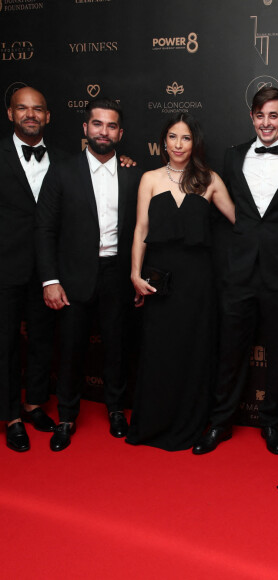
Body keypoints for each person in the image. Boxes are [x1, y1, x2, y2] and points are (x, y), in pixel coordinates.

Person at [193, 87, 278, 456]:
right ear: (252, 118)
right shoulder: (230, 157)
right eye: (260, 116)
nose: (267, 123)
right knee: (230, 350)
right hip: (238, 271)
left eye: (274, 116)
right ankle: (220, 422)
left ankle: (270, 422)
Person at [35, 97, 142, 451]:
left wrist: (138, 276)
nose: (104, 131)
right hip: (72, 275)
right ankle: (66, 415)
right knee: (71, 350)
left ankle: (115, 410)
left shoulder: (132, 173)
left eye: (111, 126)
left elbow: (143, 230)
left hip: (118, 274)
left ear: (120, 133)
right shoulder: (63, 170)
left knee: (117, 347)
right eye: (97, 124)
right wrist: (50, 280)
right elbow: (45, 229)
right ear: (85, 128)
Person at [126, 113, 235, 451]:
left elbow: (240, 222)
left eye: (185, 138)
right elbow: (141, 230)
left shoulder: (210, 180)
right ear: (164, 141)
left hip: (198, 280)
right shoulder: (149, 179)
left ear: (195, 143)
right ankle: (154, 423)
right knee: (161, 352)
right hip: (160, 279)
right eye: (173, 137)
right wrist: (134, 274)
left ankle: (190, 424)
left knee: (193, 351)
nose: (178, 144)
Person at [0, 87, 63, 451]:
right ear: (10, 114)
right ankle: (10, 415)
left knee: (42, 339)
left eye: (37, 109)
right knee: (6, 342)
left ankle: (34, 403)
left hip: (49, 267)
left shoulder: (67, 159)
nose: (30, 115)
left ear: (48, 116)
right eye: (22, 108)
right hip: (6, 266)